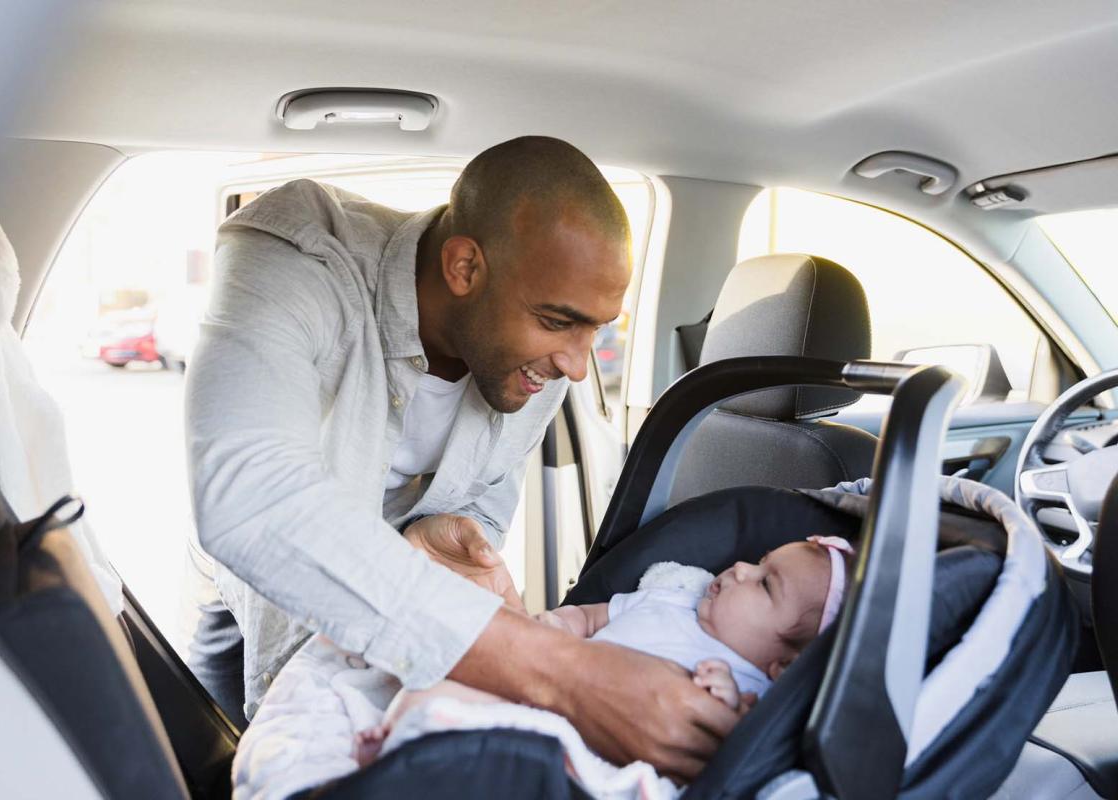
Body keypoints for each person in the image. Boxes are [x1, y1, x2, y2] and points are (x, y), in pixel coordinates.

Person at [186, 136, 740, 781]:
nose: (576, 367)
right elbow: (249, 494)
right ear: (465, 267)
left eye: (596, 329)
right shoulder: (298, 257)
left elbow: (486, 494)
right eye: (558, 321)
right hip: (254, 586)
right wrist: (566, 674)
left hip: (400, 626)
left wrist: (445, 535)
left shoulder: (545, 360)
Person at [353, 536, 855, 766]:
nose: (743, 568)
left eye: (766, 585)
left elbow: (733, 743)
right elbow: (592, 617)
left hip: (604, 745)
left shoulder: (752, 686)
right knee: (444, 678)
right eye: (760, 560)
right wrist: (553, 626)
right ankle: (398, 731)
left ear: (785, 664)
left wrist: (731, 702)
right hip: (537, 685)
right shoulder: (675, 595)